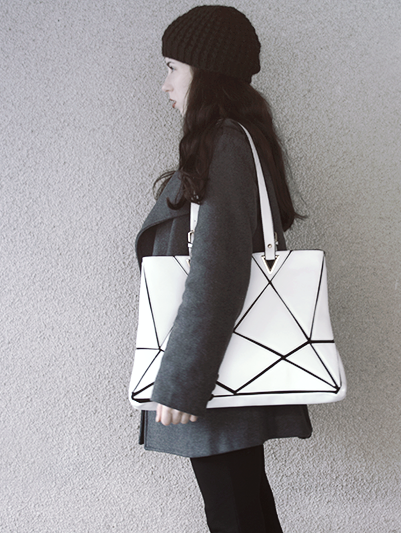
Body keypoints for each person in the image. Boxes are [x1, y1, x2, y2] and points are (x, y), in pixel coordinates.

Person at [132, 5, 312, 533]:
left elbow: (218, 272)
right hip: (223, 366)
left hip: (214, 372)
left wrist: (183, 380)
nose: (165, 85)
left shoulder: (225, 144)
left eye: (173, 68)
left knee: (236, 517)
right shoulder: (231, 140)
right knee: (246, 512)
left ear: (206, 72)